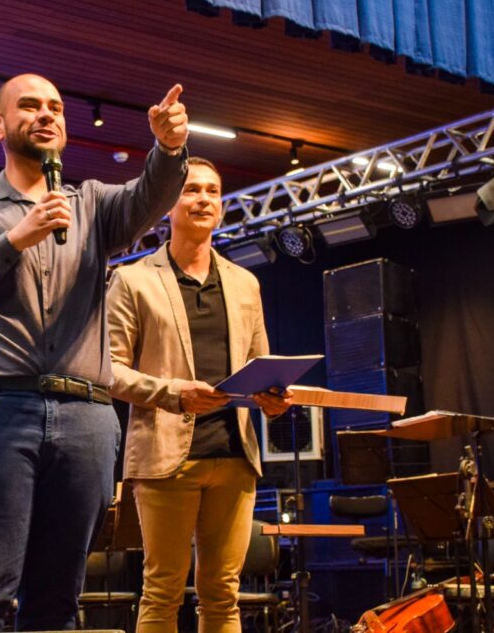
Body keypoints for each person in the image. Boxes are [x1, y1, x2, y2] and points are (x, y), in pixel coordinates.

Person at [0, 73, 190, 632]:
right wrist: (13, 239)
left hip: (86, 419)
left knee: (59, 600)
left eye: (56, 108)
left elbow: (150, 198)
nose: (47, 115)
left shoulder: (91, 203)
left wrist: (169, 148)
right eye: (30, 106)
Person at [106, 157, 293, 633]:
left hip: (235, 457)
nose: (204, 199)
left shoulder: (245, 282)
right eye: (192, 190)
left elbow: (259, 367)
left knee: (223, 594)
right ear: (169, 201)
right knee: (163, 590)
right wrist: (173, 394)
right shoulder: (133, 280)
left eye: (213, 190)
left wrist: (271, 398)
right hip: (166, 457)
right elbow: (107, 370)